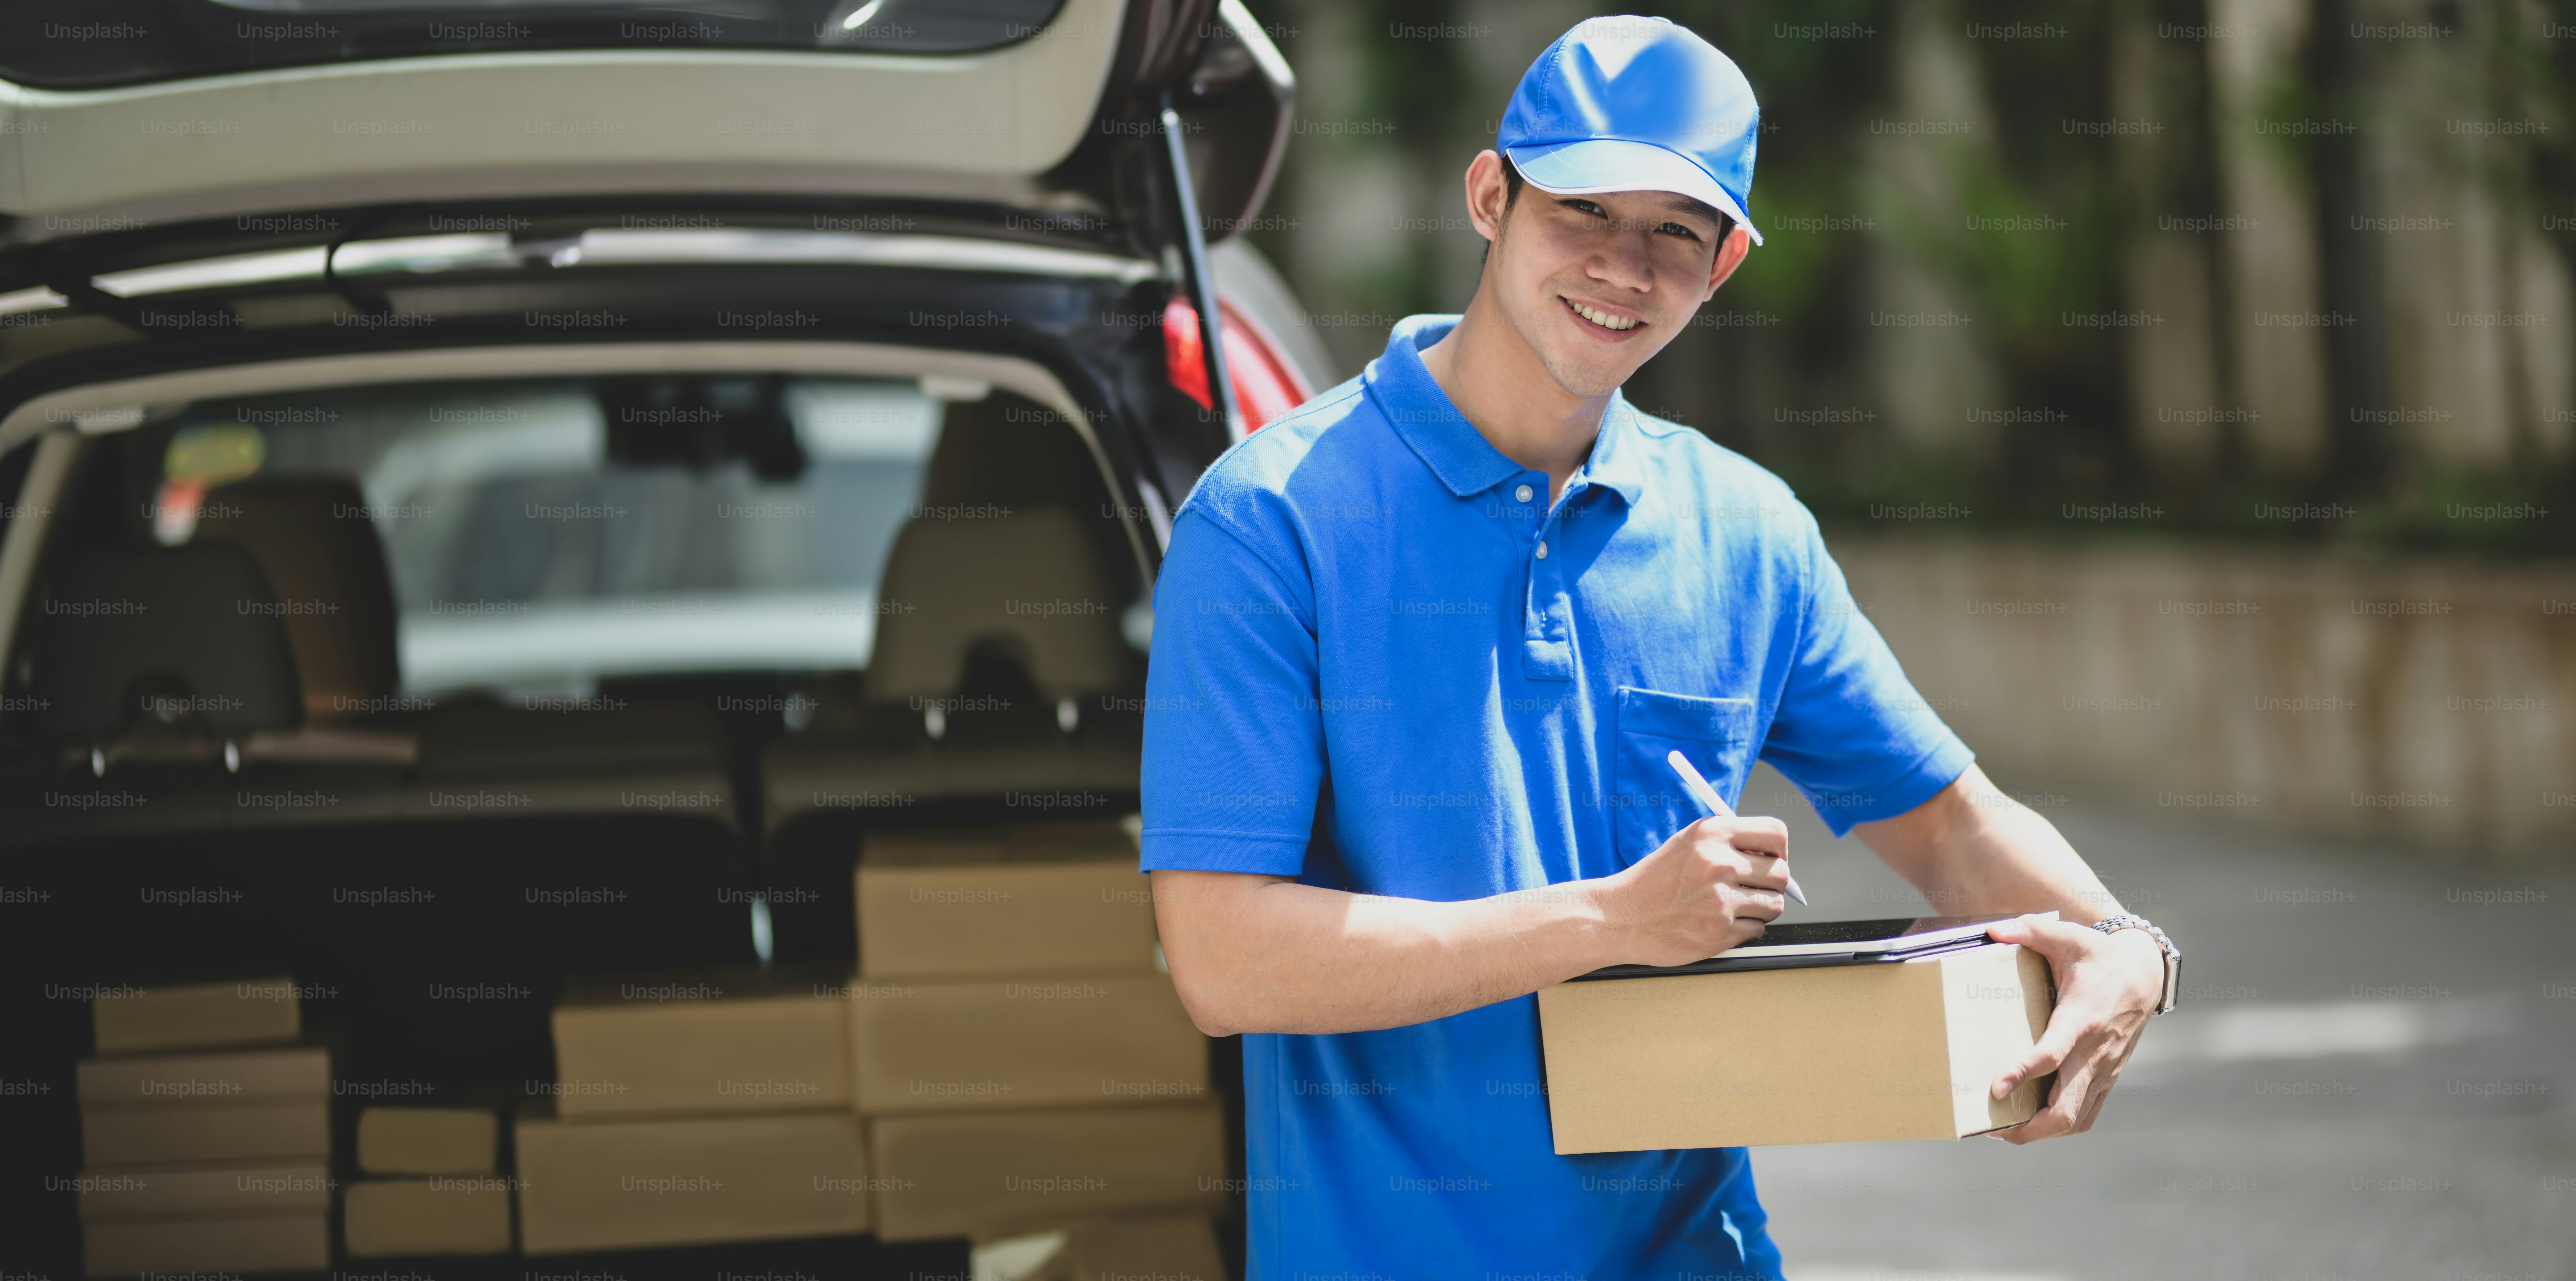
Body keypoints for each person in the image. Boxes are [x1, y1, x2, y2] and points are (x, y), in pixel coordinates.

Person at [1138, 15, 2179, 1278]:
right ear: (1490, 197)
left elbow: (1951, 824)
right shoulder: (1271, 521)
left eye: (1675, 231)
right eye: (1583, 208)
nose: (1624, 267)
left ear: (1727, 260)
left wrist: (2131, 948)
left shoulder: (1743, 530)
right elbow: (1223, 958)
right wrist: (1614, 918)